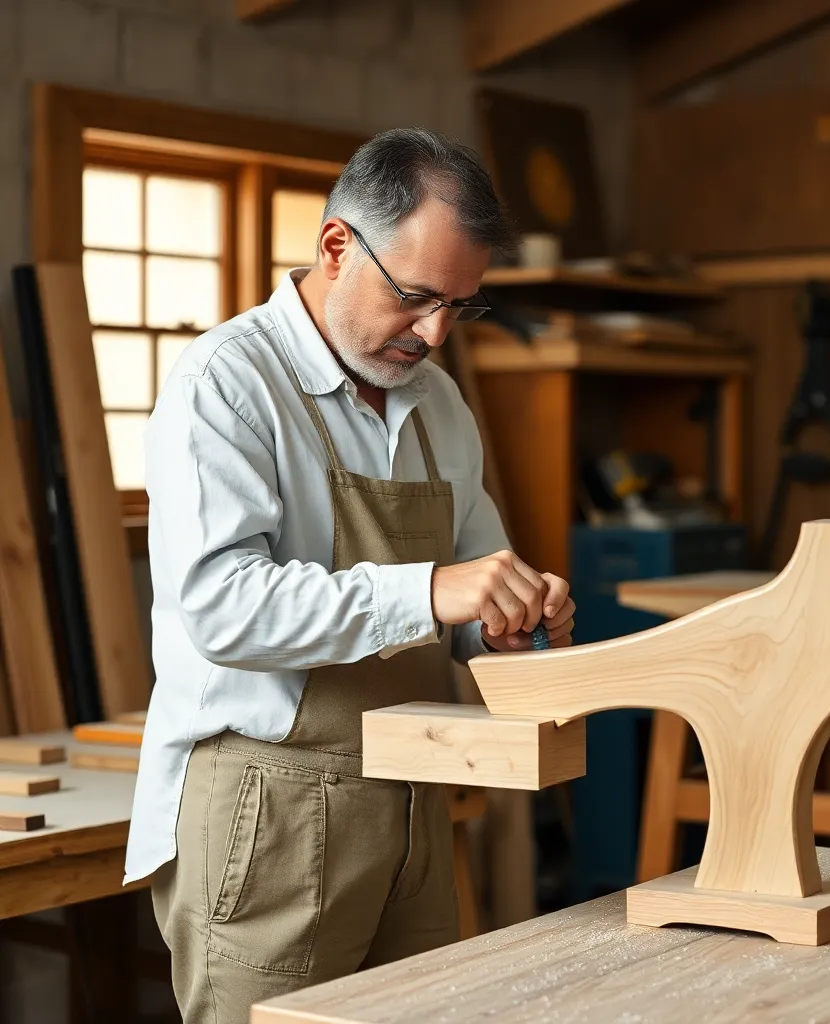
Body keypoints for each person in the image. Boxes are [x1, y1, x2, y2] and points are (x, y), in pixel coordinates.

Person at [124, 127, 575, 1023]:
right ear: (337, 247)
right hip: (270, 810)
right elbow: (222, 606)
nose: (436, 332)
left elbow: (472, 585)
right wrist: (430, 588)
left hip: (411, 795)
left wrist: (506, 616)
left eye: (462, 307)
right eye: (416, 297)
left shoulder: (437, 402)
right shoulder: (228, 382)